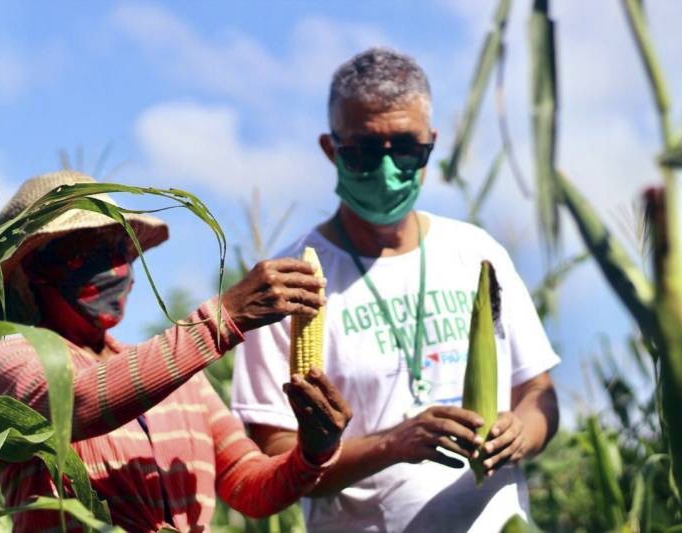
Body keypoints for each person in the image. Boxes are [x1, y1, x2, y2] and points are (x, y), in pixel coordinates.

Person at [230, 47, 560, 532]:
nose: (386, 170)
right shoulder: (287, 285)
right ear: (331, 150)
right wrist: (393, 444)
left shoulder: (477, 253)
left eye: (406, 148)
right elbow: (276, 456)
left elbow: (537, 392)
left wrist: (522, 433)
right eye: (364, 151)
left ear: (431, 143)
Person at [0, 170, 353, 532]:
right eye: (85, 251)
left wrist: (313, 452)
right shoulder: (10, 358)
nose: (115, 267)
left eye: (121, 248)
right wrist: (221, 320)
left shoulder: (184, 383)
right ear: (35, 269)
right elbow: (73, 403)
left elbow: (247, 486)